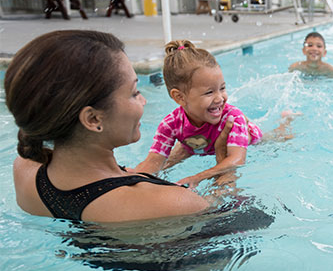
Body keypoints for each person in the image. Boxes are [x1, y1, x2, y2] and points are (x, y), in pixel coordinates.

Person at [5, 30, 212, 222]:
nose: (143, 102)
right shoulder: (177, 204)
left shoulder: (25, 169)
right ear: (93, 119)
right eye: (134, 92)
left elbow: (111, 181)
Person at [135, 40, 295, 189]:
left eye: (222, 88)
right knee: (171, 160)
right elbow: (152, 162)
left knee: (277, 138)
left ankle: (287, 120)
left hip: (248, 138)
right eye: (209, 92)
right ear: (180, 97)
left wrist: (198, 176)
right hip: (198, 143)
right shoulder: (170, 124)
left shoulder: (233, 117)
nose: (220, 98)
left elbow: (237, 160)